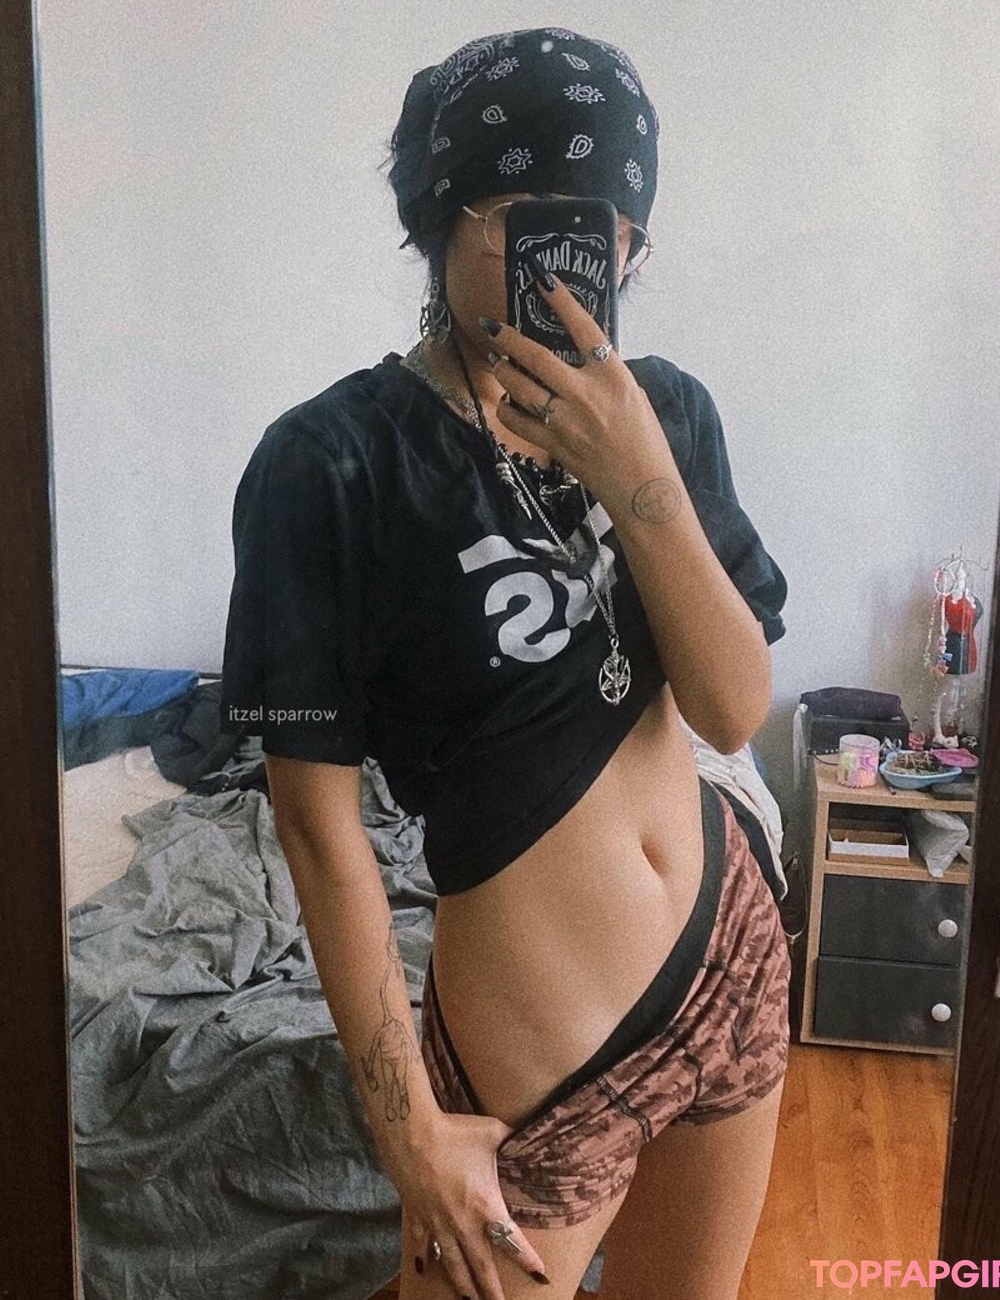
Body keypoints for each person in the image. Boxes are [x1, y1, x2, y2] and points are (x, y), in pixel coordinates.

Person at [220, 28, 790, 1300]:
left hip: (734, 961)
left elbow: (732, 707)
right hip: (538, 1066)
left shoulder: (665, 413)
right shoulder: (334, 463)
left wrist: (636, 475)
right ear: (444, 217)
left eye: (612, 231)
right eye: (535, 221)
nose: (583, 262)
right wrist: (409, 1130)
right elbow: (316, 829)